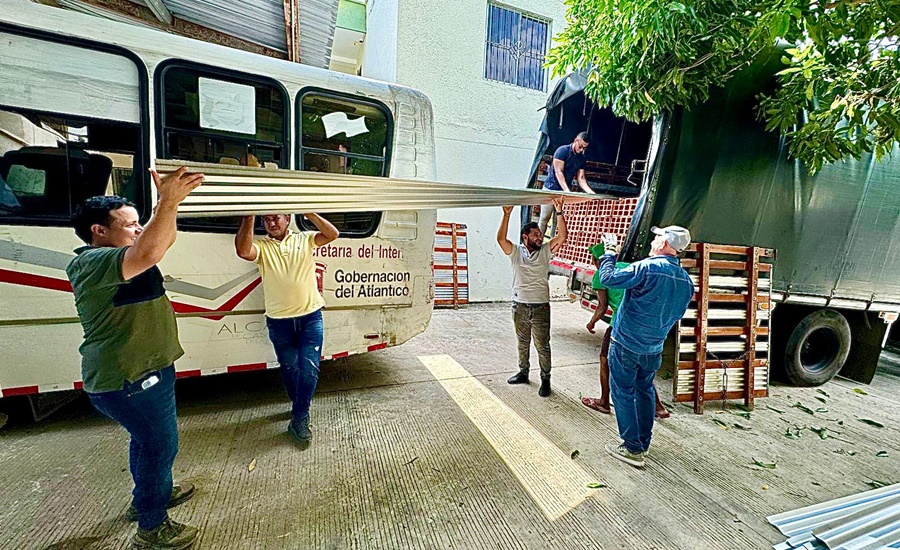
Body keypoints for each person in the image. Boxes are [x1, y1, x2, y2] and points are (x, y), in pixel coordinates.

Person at [67, 166, 204, 549]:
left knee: (147, 443)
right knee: (161, 446)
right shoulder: (91, 263)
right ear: (99, 231)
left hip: (148, 371)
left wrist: (168, 209)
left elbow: (161, 241)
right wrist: (167, 201)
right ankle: (152, 526)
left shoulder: (124, 257)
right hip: (130, 379)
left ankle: (147, 495)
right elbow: (153, 248)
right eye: (130, 224)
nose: (139, 230)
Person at [235, 213, 339, 448]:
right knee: (290, 368)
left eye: (277, 218)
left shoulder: (305, 239)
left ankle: (300, 417)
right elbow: (243, 251)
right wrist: (249, 216)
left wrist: (310, 212)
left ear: (288, 219)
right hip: (279, 321)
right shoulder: (261, 247)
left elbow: (333, 234)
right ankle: (298, 405)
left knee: (309, 369)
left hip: (311, 317)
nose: (272, 223)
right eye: (267, 219)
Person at [597, 226, 693, 469]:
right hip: (653, 348)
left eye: (656, 237)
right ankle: (643, 442)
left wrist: (609, 253)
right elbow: (676, 315)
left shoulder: (647, 267)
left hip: (626, 343)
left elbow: (608, 278)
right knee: (645, 391)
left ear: (664, 243)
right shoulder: (686, 281)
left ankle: (632, 448)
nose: (652, 241)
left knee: (623, 392)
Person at [582, 244, 670, 419]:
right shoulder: (624, 266)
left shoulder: (601, 274)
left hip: (619, 324)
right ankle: (658, 407)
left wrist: (591, 323)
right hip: (640, 324)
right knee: (641, 368)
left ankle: (604, 401)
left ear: (596, 260)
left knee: (605, 360)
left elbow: (602, 307)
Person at [497, 196, 567, 397]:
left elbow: (562, 237)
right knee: (522, 342)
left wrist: (559, 211)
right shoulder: (516, 252)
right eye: (535, 234)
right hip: (519, 305)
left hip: (540, 307)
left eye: (540, 234)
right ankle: (523, 372)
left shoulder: (545, 250)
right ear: (525, 237)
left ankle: (546, 379)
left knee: (543, 346)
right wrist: (506, 214)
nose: (540, 237)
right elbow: (501, 239)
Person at [539, 132, 595, 234]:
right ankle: (536, 245)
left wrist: (591, 193)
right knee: (544, 219)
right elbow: (558, 172)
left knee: (559, 220)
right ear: (576, 141)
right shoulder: (562, 151)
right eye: (580, 146)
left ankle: (554, 245)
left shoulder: (581, 158)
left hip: (564, 193)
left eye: (584, 148)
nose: (581, 150)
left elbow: (581, 178)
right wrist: (566, 190)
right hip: (551, 189)